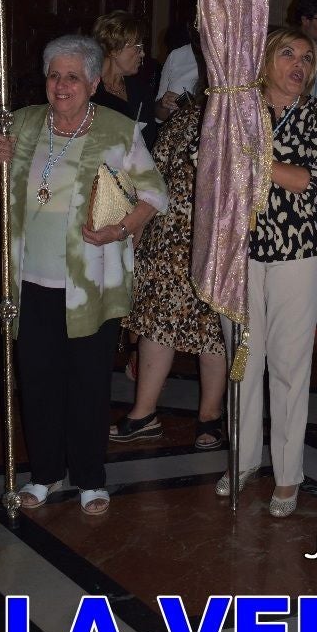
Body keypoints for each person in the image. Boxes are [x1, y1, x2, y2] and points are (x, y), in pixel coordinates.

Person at [0, 35, 167, 514]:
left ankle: (90, 479)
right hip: (29, 283)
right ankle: (44, 475)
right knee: (37, 381)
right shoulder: (19, 124)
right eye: (54, 76)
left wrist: (119, 229)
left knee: (87, 384)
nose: (62, 86)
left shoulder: (118, 130)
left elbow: (154, 195)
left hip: (91, 285)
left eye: (73, 77)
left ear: (94, 82)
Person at [217, 27, 317, 517]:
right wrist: (260, 167)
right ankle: (241, 460)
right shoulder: (236, 108)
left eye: (307, 58)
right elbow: (213, 171)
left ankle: (287, 475)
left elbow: (316, 185)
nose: (298, 64)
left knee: (290, 366)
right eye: (287, 53)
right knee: (243, 360)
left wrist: (255, 163)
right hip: (239, 252)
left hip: (299, 254)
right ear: (265, 59)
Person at [112, 70, 227, 449]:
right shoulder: (183, 120)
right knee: (155, 327)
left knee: (213, 334)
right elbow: (153, 182)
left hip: (218, 242)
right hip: (167, 239)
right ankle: (142, 413)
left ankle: (210, 416)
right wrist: (137, 238)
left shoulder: (246, 121)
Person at [92, 11, 158, 151]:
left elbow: (151, 140)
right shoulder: (86, 90)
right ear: (114, 49)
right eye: (138, 48)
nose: (143, 54)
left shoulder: (142, 91)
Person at [155, 21, 200, 122]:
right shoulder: (176, 55)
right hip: (179, 133)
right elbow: (159, 115)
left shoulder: (233, 60)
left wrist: (192, 108)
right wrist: (164, 104)